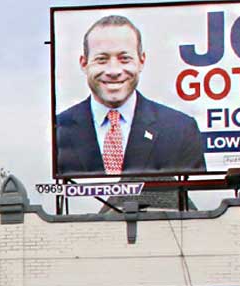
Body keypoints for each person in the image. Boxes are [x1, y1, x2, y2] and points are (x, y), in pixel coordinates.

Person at [54, 14, 206, 176]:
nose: (113, 71)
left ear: (141, 61)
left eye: (124, 59)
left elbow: (192, 197)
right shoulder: (58, 129)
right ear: (84, 64)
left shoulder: (180, 129)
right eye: (102, 59)